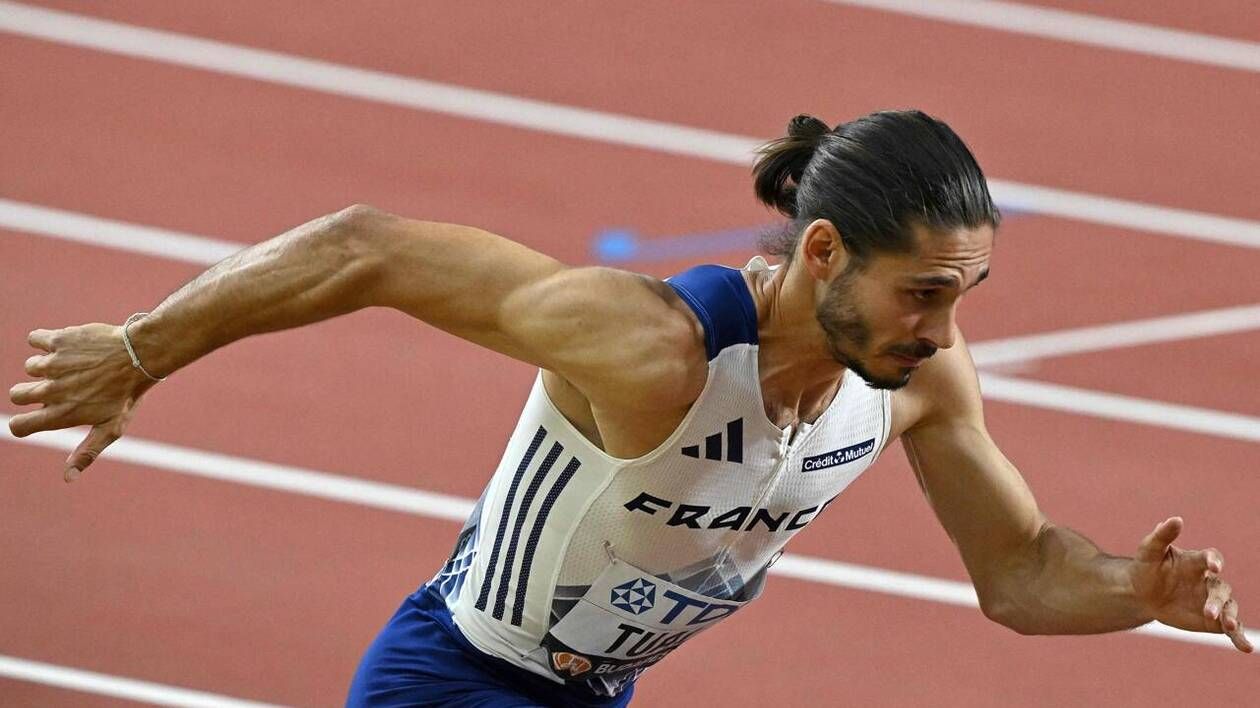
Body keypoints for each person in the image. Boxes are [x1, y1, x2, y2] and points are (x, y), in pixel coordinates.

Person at [8, 110, 1250, 707]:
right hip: (456, 681)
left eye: (963, 294)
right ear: (823, 252)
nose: (942, 327)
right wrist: (139, 347)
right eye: (921, 293)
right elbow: (366, 247)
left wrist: (1132, 597)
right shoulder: (652, 344)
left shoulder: (919, 383)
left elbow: (1019, 572)